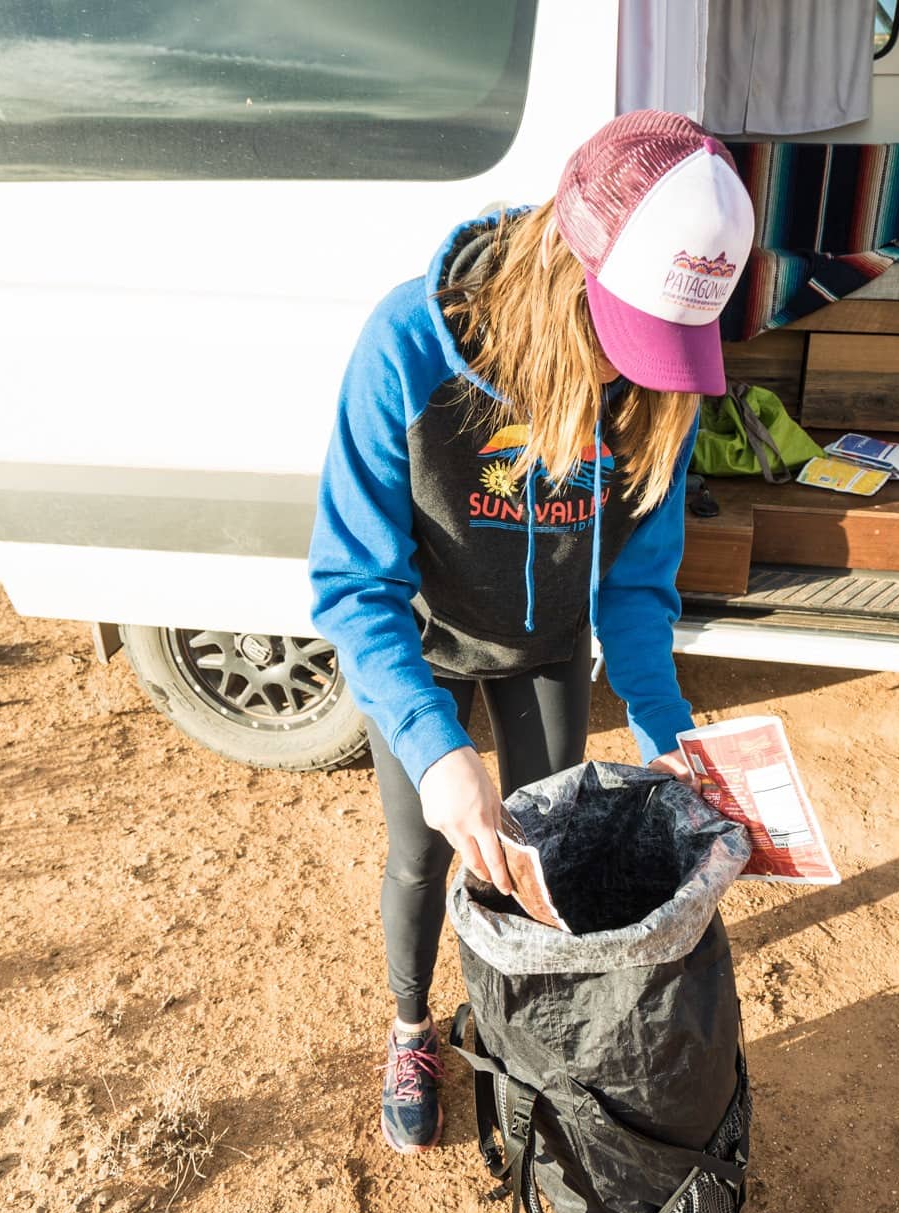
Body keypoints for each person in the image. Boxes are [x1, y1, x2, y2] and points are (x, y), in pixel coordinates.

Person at [307, 111, 755, 1153]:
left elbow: (636, 586)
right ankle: (413, 1023)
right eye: (618, 334)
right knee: (428, 847)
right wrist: (434, 748)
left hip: (546, 644)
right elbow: (351, 584)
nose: (625, 376)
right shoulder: (407, 347)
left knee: (543, 856)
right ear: (565, 262)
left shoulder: (658, 385)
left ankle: (521, 1029)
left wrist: (665, 727)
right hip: (422, 646)